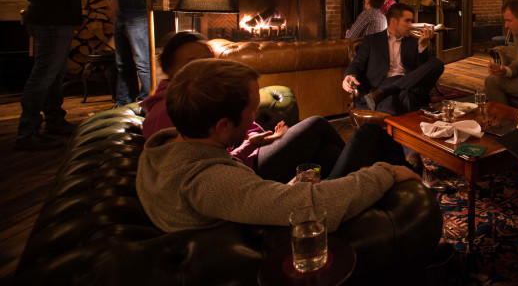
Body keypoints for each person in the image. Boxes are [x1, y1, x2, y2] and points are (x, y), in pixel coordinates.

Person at [136, 58, 422, 233]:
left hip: (265, 213)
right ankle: (414, 202)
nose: (254, 118)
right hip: (298, 238)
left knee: (330, 153)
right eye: (251, 111)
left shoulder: (166, 147)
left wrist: (286, 185)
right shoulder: (208, 182)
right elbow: (312, 206)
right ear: (222, 125)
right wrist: (386, 173)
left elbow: (250, 196)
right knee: (367, 136)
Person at [142, 32, 405, 184]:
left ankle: (352, 182)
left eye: (206, 58)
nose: (204, 66)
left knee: (327, 153)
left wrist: (256, 136)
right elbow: (215, 164)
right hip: (252, 163)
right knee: (326, 126)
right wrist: (252, 144)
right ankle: (391, 177)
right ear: (168, 67)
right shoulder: (170, 110)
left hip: (252, 150)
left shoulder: (193, 95)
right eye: (191, 61)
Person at [16, 0, 85, 150]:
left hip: (53, 21)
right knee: (43, 75)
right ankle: (28, 132)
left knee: (55, 74)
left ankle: (55, 120)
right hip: (51, 21)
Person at [343, 2, 443, 116]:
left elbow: (421, 72)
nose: (411, 25)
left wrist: (422, 46)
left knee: (437, 63)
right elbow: (357, 64)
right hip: (382, 85)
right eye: (407, 21)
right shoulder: (372, 41)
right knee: (406, 100)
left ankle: (386, 93)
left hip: (405, 87)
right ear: (394, 22)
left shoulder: (414, 42)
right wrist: (349, 75)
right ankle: (390, 95)